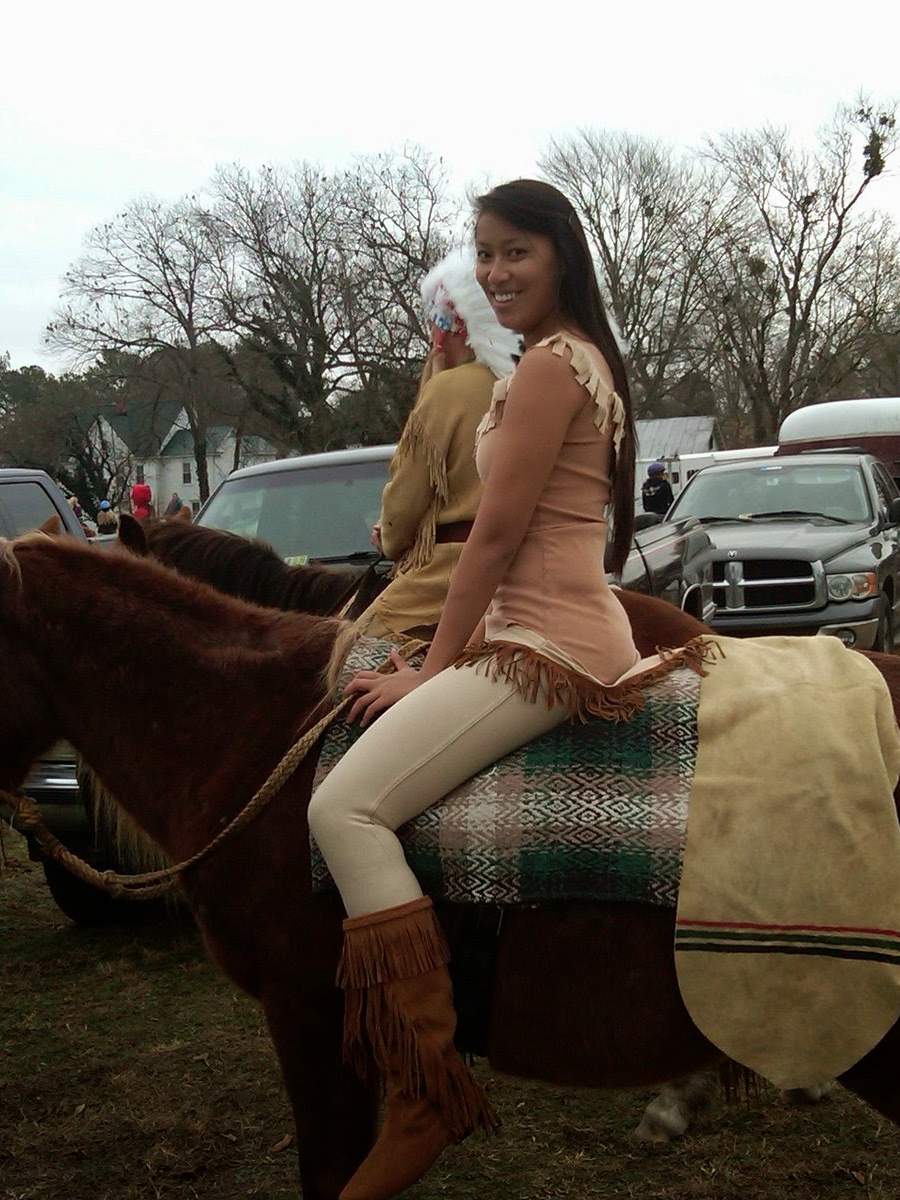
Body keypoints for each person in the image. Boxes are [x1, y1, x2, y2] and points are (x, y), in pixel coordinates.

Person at [308, 179, 644, 1199]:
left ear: (560, 255)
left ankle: (424, 1087)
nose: (495, 272)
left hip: (546, 643)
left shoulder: (547, 367)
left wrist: (430, 672)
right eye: (484, 253)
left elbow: (491, 542)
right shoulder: (572, 357)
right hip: (549, 627)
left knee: (343, 808)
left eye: (515, 253)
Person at [364, 246, 520, 639]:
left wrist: (389, 538)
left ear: (450, 330)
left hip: (447, 569)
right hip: (520, 564)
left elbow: (406, 498)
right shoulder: (521, 381)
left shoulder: (446, 389)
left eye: (436, 325)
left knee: (348, 649)